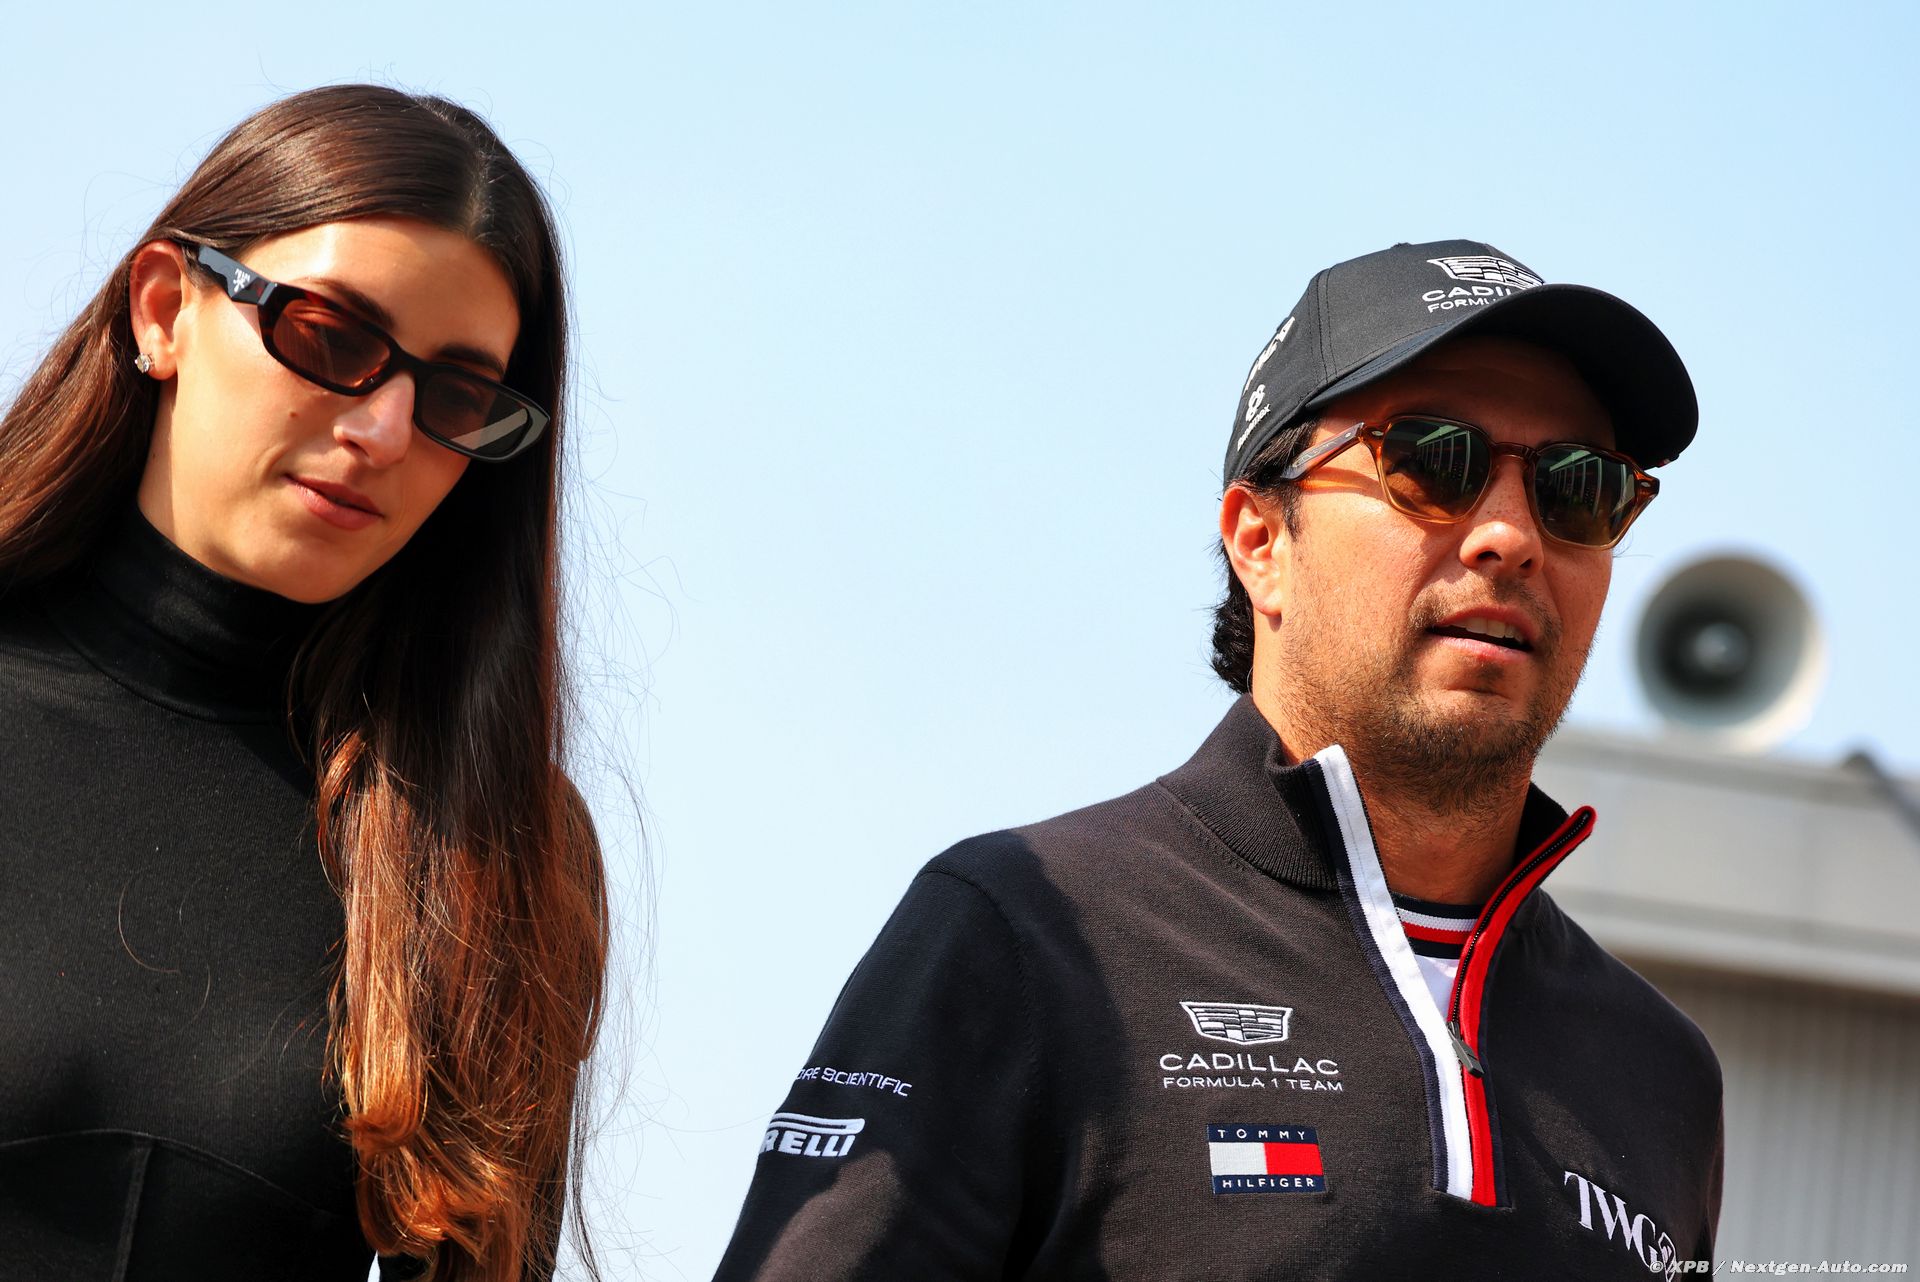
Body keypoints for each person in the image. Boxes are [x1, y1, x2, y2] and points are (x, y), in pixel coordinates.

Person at [713, 240, 1723, 1280]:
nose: (1510, 535)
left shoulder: (1666, 1074)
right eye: (1433, 461)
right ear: (1260, 541)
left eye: (1578, 487)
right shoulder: (1024, 930)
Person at [0, 86, 607, 1280]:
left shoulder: (488, 849)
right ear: (163, 309)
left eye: (456, 397)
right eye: (330, 336)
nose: (383, 428)